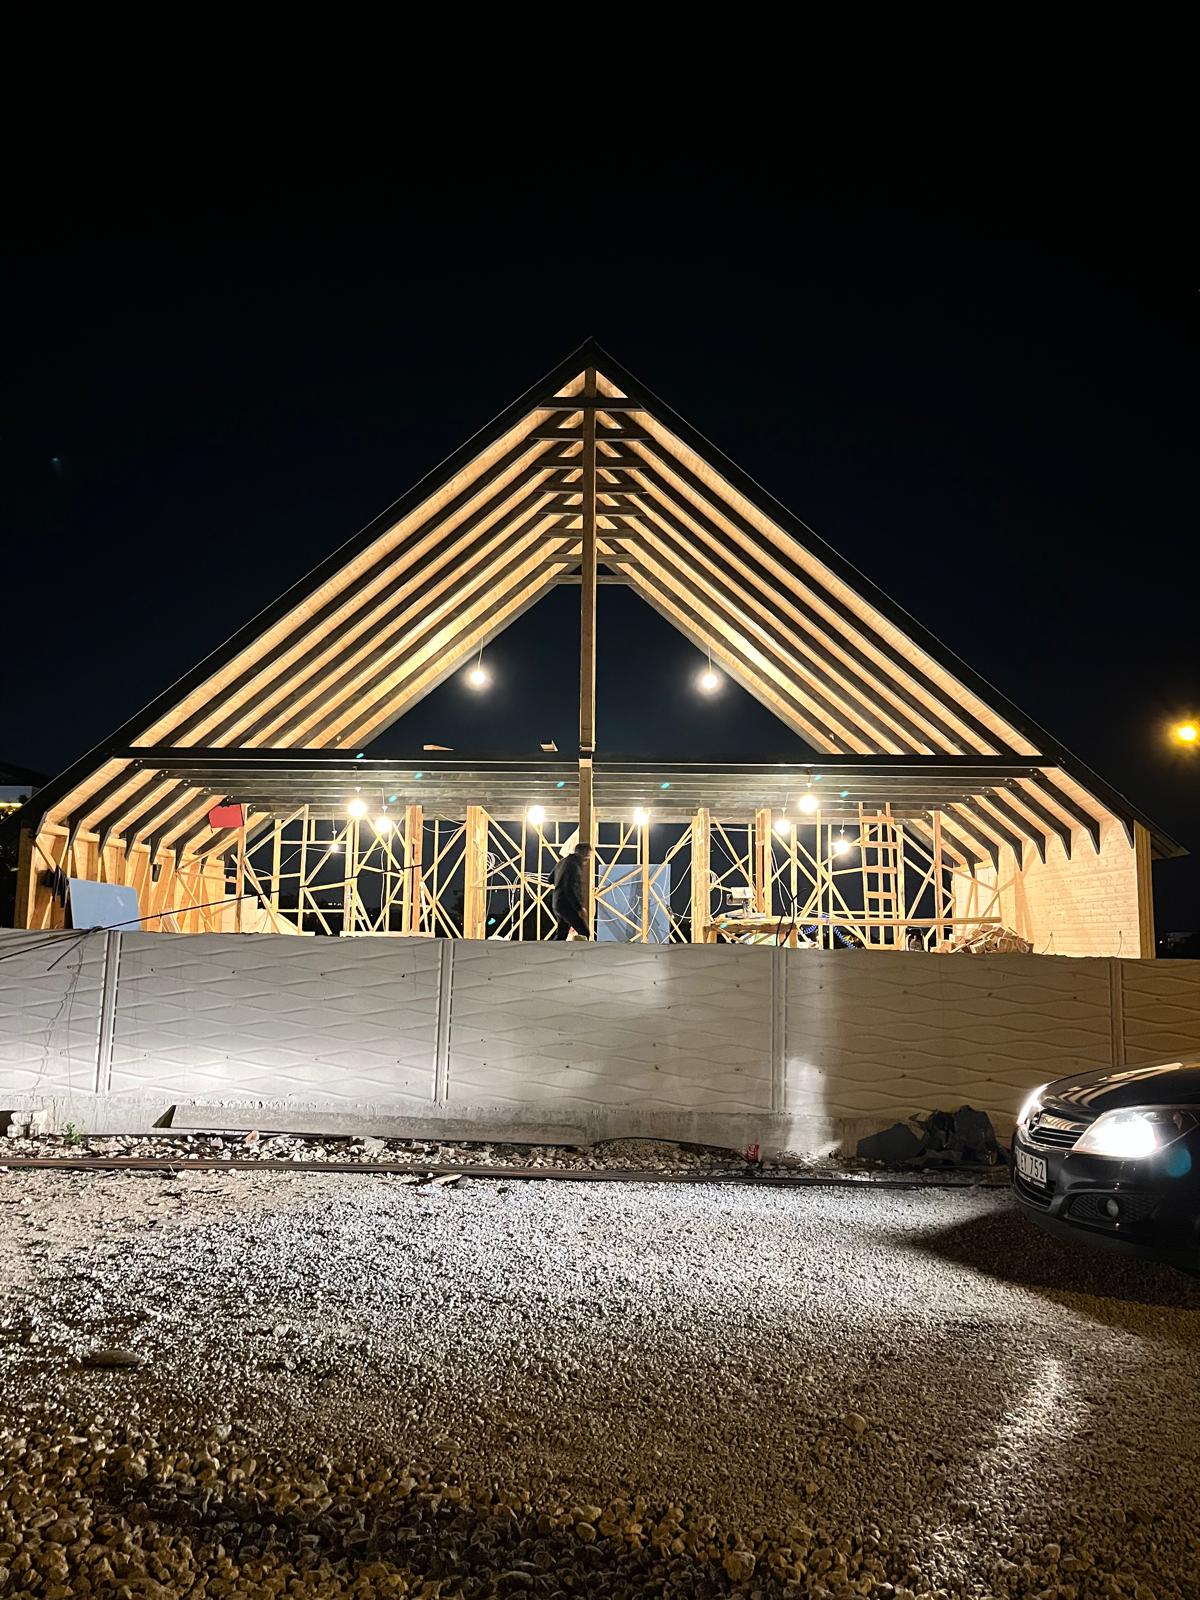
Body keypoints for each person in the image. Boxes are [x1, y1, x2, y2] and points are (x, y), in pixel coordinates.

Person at [551, 841, 592, 940]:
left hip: (557, 902)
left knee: (562, 933)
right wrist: (579, 908)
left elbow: (550, 879)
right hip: (567, 904)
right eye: (587, 856)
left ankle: (554, 949)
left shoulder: (562, 862)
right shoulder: (574, 865)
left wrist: (560, 882)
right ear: (583, 852)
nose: (587, 860)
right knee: (584, 932)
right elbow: (570, 889)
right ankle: (581, 950)